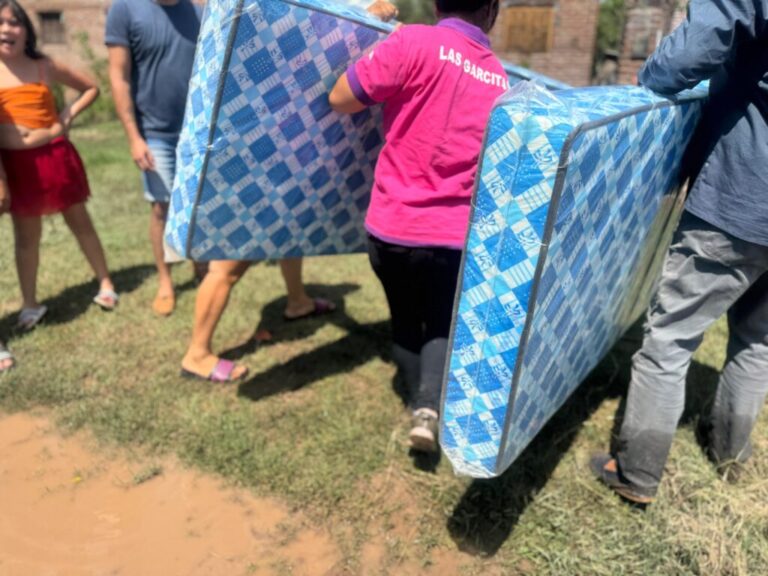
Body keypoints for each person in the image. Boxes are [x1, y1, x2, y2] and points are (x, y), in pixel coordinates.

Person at [591, 0, 768, 504]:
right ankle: (730, 455)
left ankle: (637, 473)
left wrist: (648, 82)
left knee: (671, 336)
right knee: (758, 340)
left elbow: (688, 54)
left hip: (743, 192)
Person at [178, 0, 399, 382]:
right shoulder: (270, 11)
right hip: (262, 152)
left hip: (288, 148)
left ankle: (297, 302)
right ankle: (196, 355)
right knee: (230, 263)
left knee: (290, 230)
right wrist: (368, 17)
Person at [329, 0, 507, 452]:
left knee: (405, 317)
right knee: (441, 322)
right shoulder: (499, 77)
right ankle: (428, 409)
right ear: (492, 10)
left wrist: (373, 34)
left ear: (435, 2)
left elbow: (341, 98)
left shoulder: (411, 42)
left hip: (392, 227)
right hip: (453, 235)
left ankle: (416, 401)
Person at [0, 0, 117, 331]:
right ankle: (30, 303)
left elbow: (91, 87)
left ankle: (106, 282)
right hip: (15, 167)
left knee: (80, 222)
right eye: (0, 22)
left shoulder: (43, 66)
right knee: (26, 238)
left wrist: (66, 117)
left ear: (26, 30)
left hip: (54, 158)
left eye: (14, 22)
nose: (6, 29)